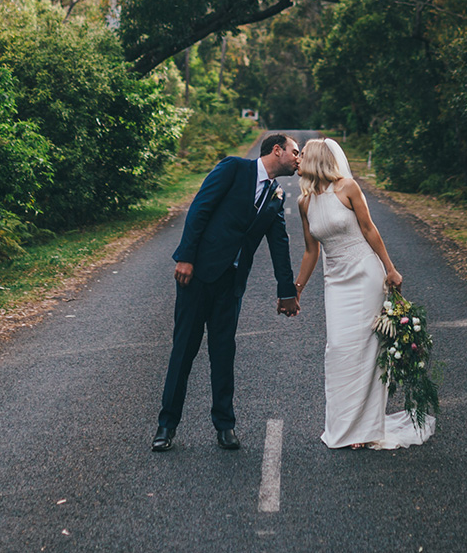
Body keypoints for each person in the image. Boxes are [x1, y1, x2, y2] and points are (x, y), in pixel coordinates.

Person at [153, 132, 302, 451]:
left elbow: (279, 244)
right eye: (295, 151)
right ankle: (166, 426)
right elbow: (200, 210)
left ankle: (225, 426)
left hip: (231, 285)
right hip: (197, 277)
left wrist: (286, 291)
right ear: (277, 150)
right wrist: (186, 257)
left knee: (223, 354)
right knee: (184, 350)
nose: (298, 157)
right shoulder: (234, 169)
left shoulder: (277, 195)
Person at [292, 136, 434, 450]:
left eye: (302, 154)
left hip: (365, 273)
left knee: (369, 350)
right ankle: (345, 425)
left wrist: (390, 269)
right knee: (339, 349)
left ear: (316, 158)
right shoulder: (304, 203)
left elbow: (370, 229)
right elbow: (310, 251)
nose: (297, 159)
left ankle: (365, 429)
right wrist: (296, 290)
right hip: (336, 280)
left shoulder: (348, 188)